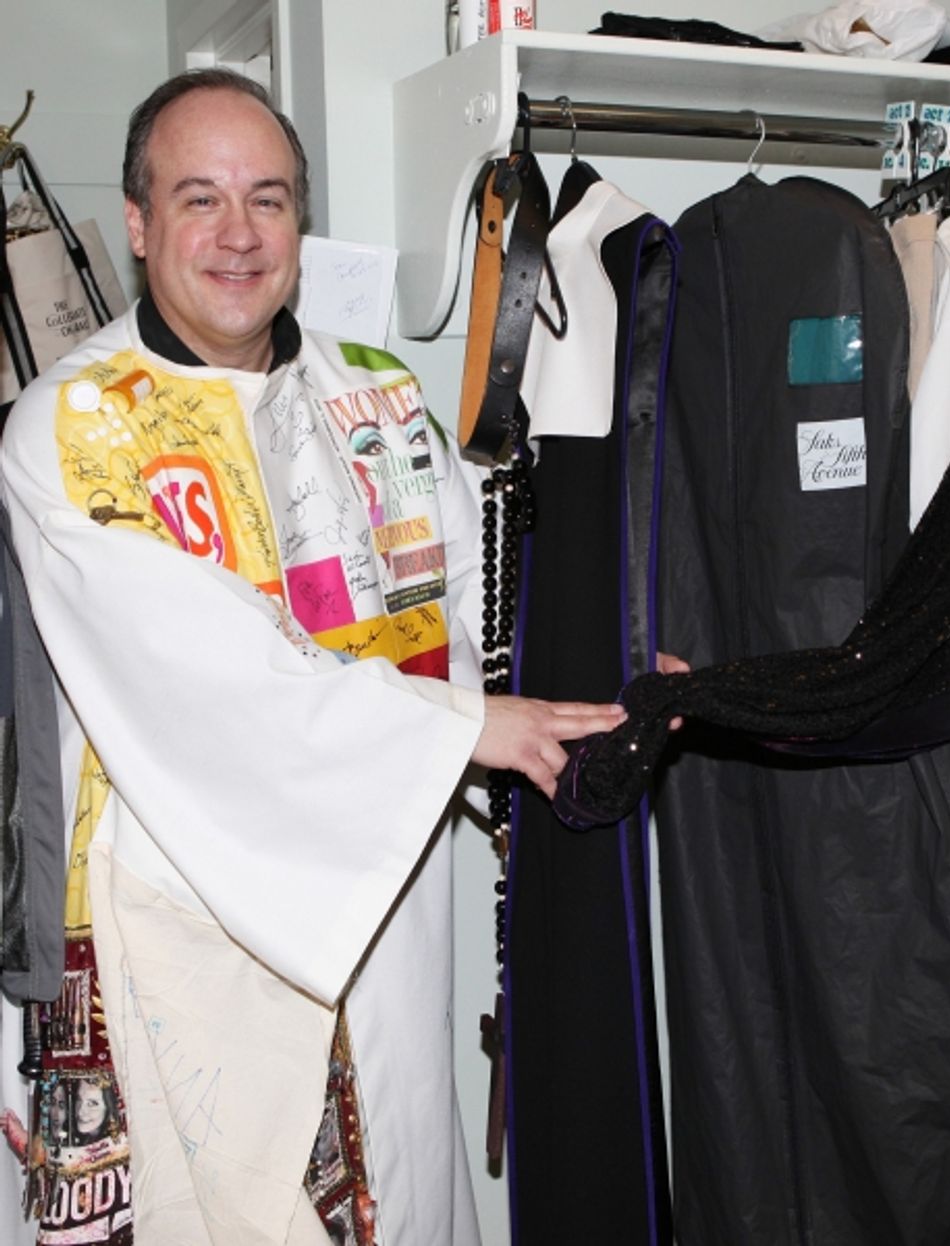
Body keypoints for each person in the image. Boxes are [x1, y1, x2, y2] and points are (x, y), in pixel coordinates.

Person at [0, 67, 626, 1246]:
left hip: (385, 925)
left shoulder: (382, 399)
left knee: (404, 1185)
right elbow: (202, 675)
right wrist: (457, 731)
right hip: (187, 937)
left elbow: (490, 616)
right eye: (199, 199)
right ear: (137, 225)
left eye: (270, 199)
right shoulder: (72, 425)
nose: (239, 234)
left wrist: (622, 677)